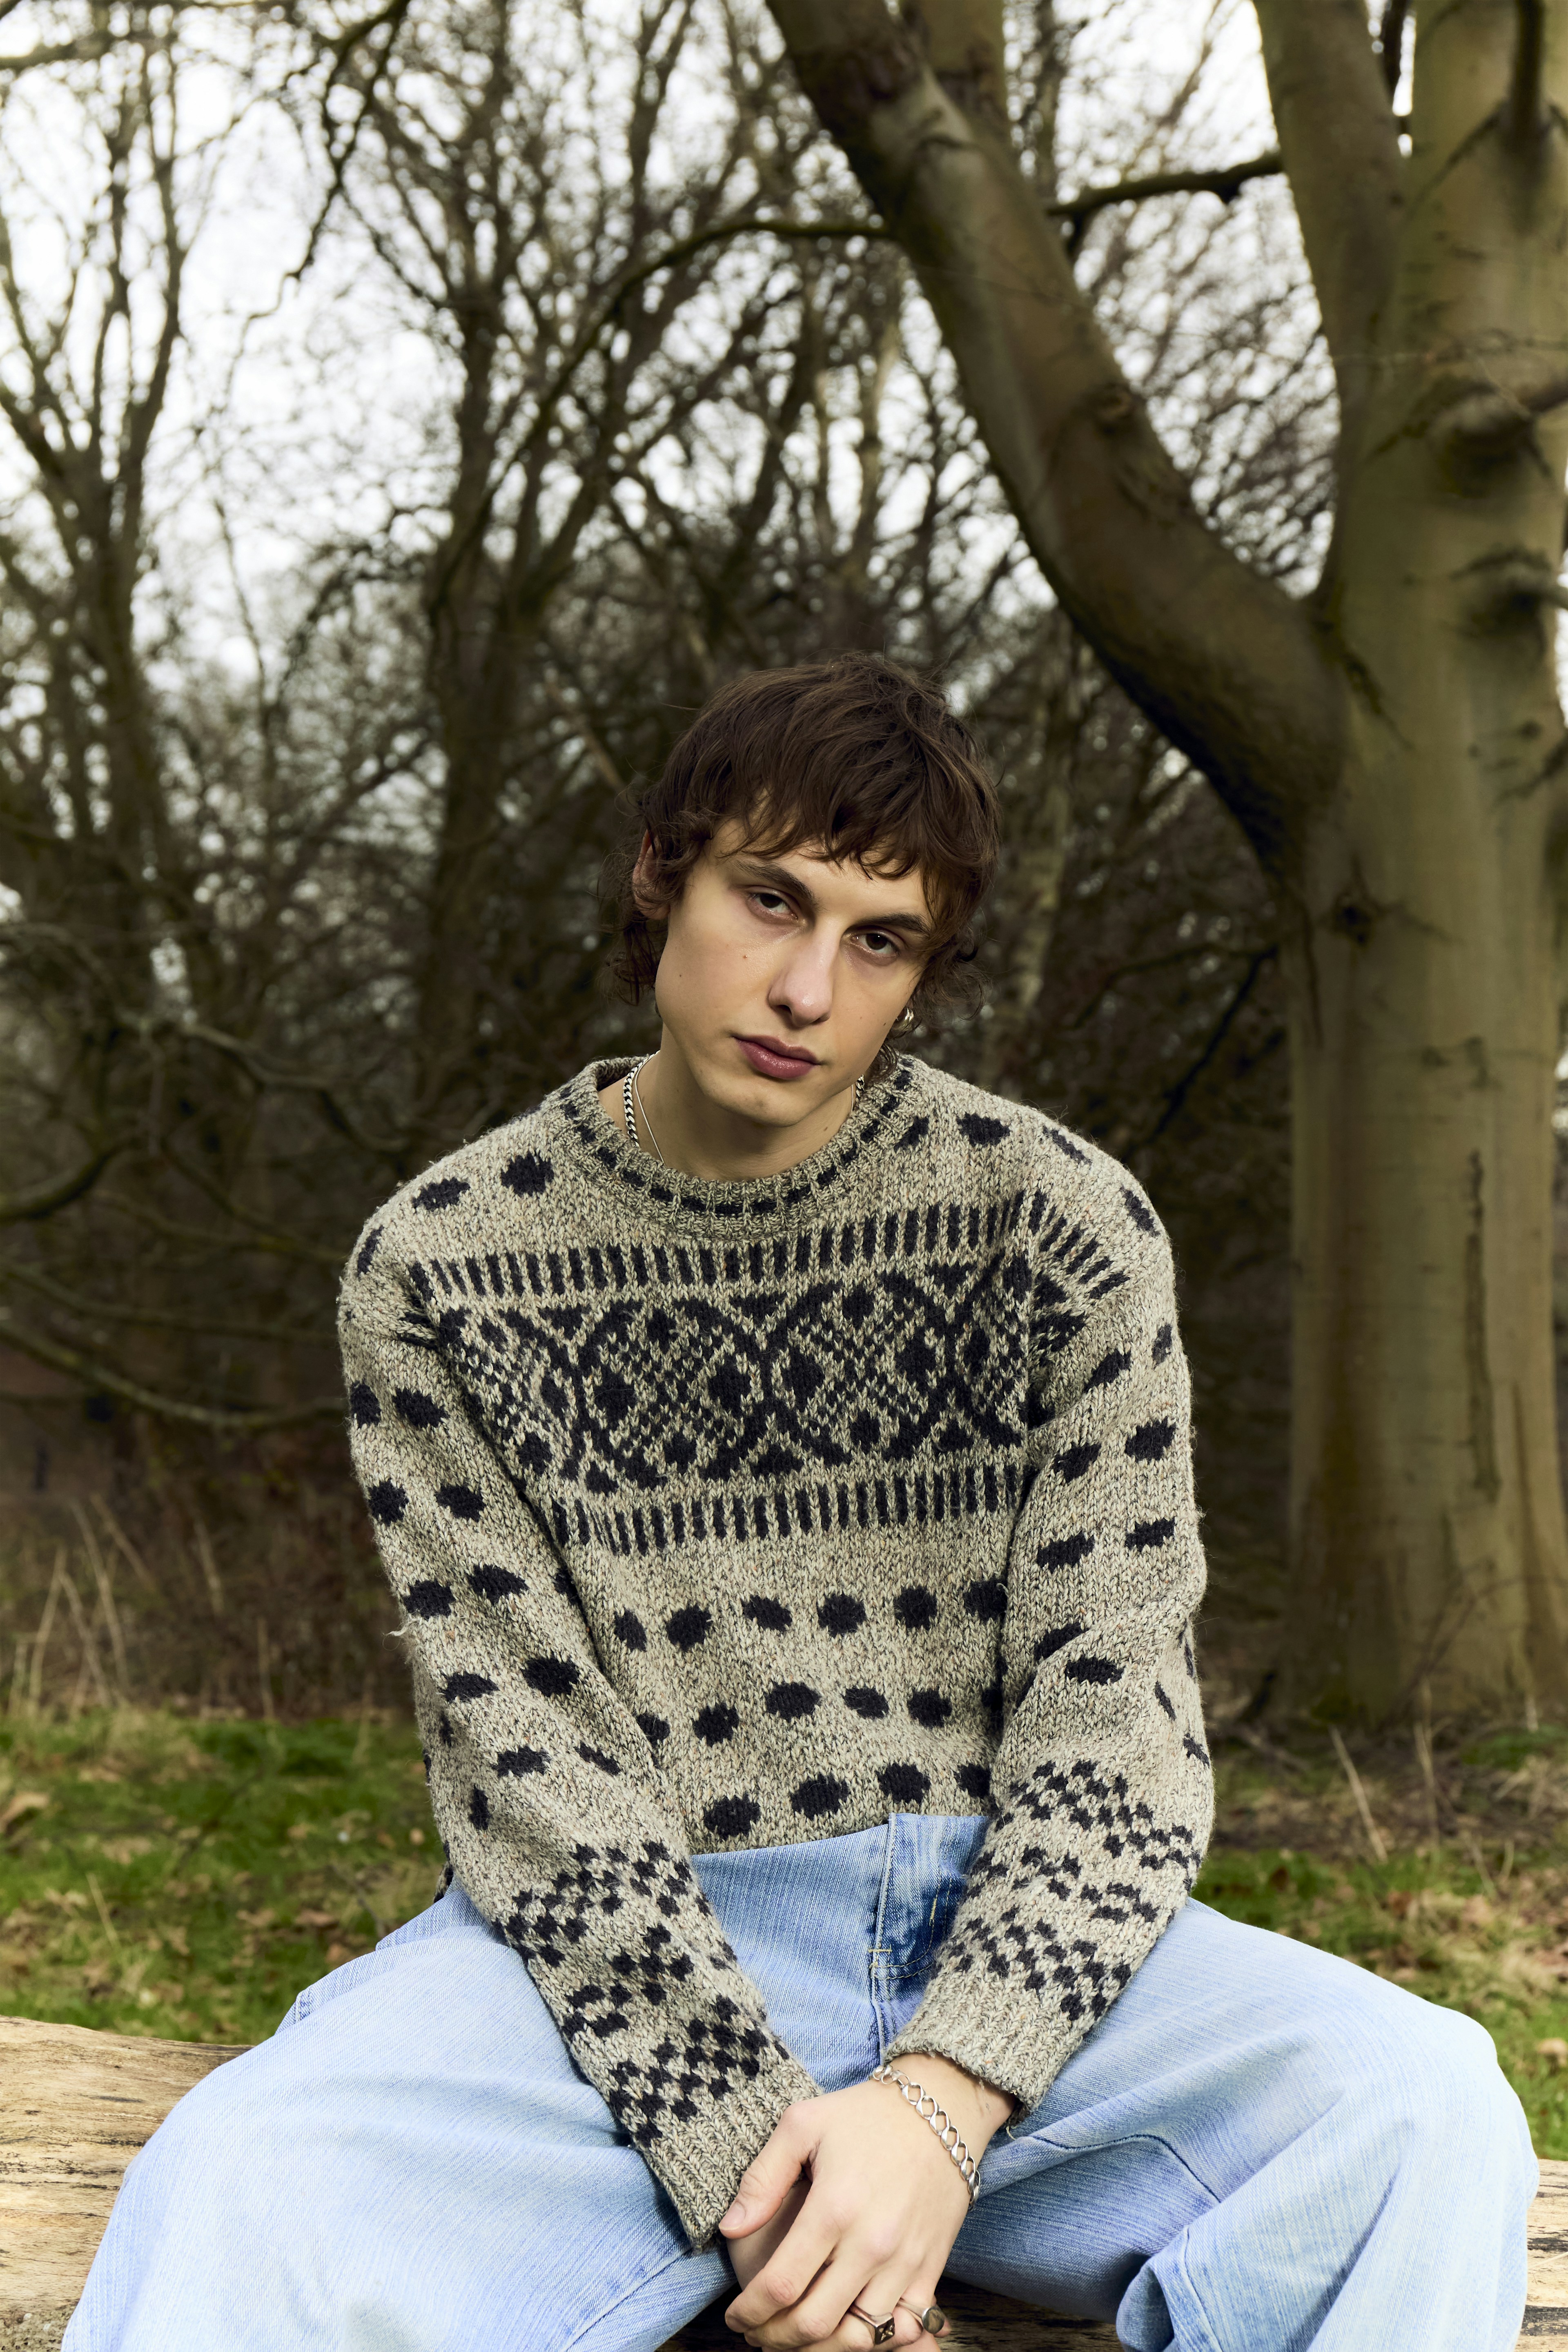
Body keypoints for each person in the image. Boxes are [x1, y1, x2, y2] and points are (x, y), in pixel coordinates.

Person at [66, 656, 1534, 2352]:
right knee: (240, 2184)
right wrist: (773, 2186)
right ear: (661, 874)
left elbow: (1115, 1723)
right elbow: (532, 1768)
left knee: (1427, 2106)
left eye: (880, 940)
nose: (808, 987)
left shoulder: (1059, 1228)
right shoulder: (443, 1266)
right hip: (608, 1978)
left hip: (1018, 1958)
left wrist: (943, 2102)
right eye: (770, 900)